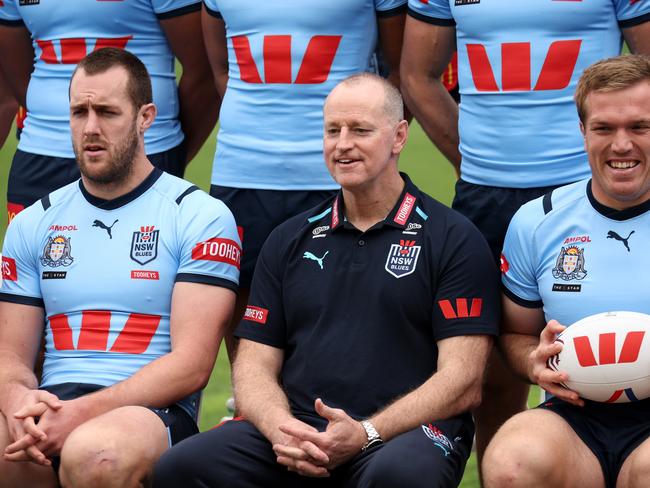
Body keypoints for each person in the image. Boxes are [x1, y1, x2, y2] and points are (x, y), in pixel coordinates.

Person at [153, 73, 499, 488]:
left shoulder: (454, 239)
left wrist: (366, 433)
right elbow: (254, 364)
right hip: (301, 428)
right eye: (333, 130)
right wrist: (283, 429)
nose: (343, 144)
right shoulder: (288, 239)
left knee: (400, 476)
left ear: (399, 136)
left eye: (361, 130)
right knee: (182, 467)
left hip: (405, 434)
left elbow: (462, 381)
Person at [400, 0, 650, 468]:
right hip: (490, 195)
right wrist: (473, 161)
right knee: (494, 371)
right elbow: (416, 75)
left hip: (600, 184)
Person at [0, 48, 239, 487]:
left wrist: (79, 413)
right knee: (13, 447)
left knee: (97, 456)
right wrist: (18, 399)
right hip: (53, 402)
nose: (90, 128)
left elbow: (192, 364)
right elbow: (11, 354)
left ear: (145, 117)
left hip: (150, 411)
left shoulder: (199, 216)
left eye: (107, 112)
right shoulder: (33, 222)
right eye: (79, 112)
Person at [201, 0, 408, 360]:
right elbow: (220, 69)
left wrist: (362, 151)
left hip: (335, 176)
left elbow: (400, 71)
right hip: (243, 171)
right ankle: (251, 405)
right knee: (247, 317)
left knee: (344, 317)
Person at [483, 54, 650, 488]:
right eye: (604, 128)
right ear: (582, 132)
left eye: (639, 127)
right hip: (573, 415)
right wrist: (533, 365)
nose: (621, 145)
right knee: (511, 465)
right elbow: (516, 336)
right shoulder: (537, 221)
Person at [0, 0, 217, 221]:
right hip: (40, 152)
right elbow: (15, 74)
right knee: (33, 252)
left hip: (144, 150)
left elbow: (203, 74)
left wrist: (168, 153)